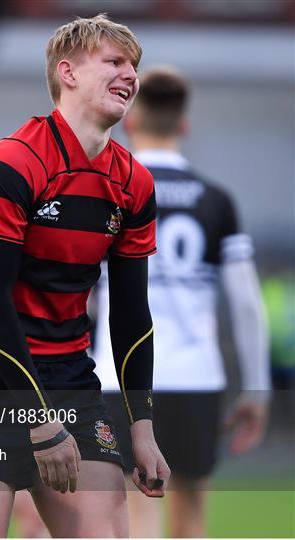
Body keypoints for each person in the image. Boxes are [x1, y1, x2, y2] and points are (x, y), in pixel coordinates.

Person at [0, 14, 170, 538]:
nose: (130, 74)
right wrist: (38, 421)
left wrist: (142, 428)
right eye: (114, 61)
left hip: (69, 379)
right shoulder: (12, 165)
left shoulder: (133, 182)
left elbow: (131, 315)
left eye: (134, 66)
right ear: (68, 72)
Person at [93, 66, 271, 537]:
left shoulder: (109, 191)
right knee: (190, 520)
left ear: (130, 121)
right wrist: (256, 387)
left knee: (135, 515)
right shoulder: (215, 201)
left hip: (120, 377)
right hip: (196, 377)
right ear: (184, 125)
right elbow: (247, 303)